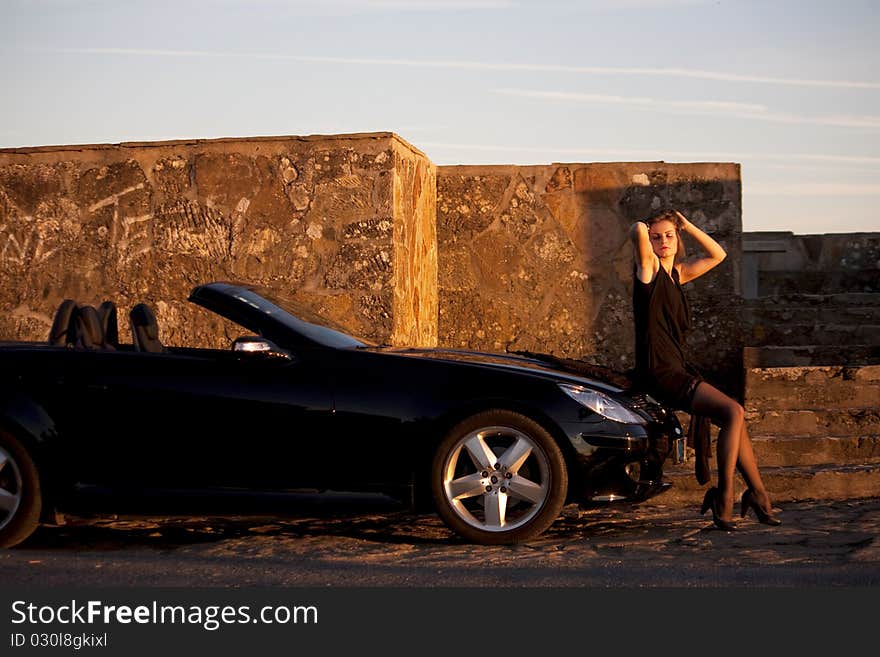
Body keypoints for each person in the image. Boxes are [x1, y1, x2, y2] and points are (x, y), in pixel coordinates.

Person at [629, 209, 781, 531]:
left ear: (678, 237)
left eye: (670, 235)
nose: (663, 242)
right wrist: (646, 227)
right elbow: (637, 232)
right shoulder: (648, 271)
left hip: (677, 369)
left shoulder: (677, 275)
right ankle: (725, 497)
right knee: (733, 412)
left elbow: (719, 254)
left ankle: (757, 494)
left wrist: (686, 225)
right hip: (658, 372)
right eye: (657, 237)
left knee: (734, 418)